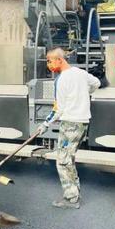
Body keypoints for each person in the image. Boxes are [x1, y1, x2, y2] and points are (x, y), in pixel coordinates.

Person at [38, 48, 100, 209]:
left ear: (60, 59)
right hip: (83, 122)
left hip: (70, 124)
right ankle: (75, 192)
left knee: (63, 161)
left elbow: (58, 108)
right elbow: (97, 83)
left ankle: (71, 198)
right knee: (69, 158)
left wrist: (45, 124)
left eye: (50, 60)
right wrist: (85, 93)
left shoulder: (61, 80)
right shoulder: (80, 73)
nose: (49, 64)